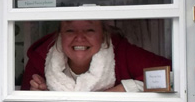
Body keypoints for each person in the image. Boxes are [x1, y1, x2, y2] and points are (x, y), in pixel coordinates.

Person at [21, 20, 171, 92]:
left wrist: (126, 89)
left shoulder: (121, 53)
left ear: (104, 35)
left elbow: (171, 75)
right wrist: (41, 96)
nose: (79, 38)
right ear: (60, 36)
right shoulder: (41, 58)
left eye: (90, 30)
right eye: (70, 31)